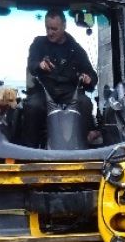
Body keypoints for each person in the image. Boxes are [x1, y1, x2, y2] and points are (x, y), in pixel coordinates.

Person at [22, 9, 99, 148]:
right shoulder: (38, 43)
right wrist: (39, 65)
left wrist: (89, 79)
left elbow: (92, 75)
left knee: (85, 102)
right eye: (47, 28)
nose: (50, 32)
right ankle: (30, 149)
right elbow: (31, 63)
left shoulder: (76, 50)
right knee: (32, 106)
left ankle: (85, 145)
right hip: (44, 90)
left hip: (69, 93)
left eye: (54, 29)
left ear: (64, 26)